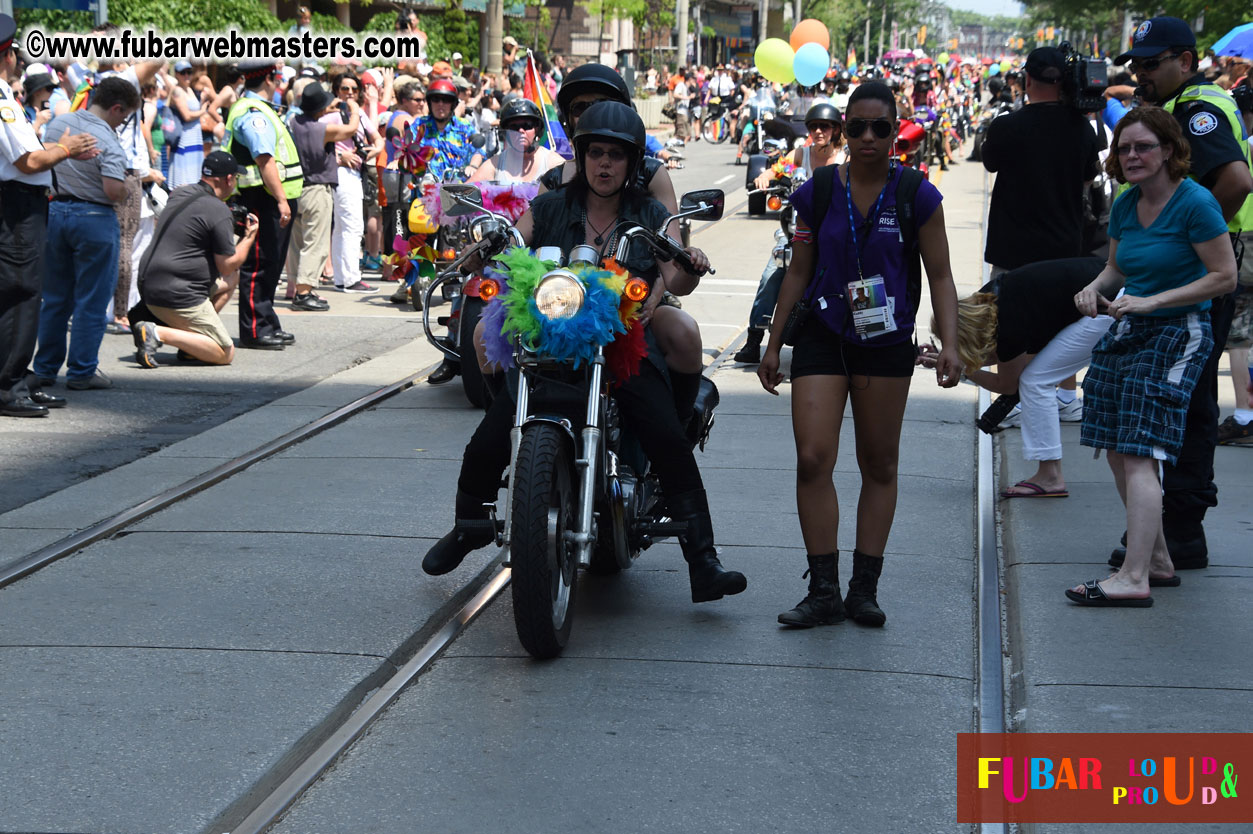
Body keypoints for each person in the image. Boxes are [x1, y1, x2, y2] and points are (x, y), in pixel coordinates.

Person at [424, 101, 748, 604]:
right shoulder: (554, 205)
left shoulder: (649, 213)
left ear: (632, 162)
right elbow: (515, 240)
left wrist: (691, 260)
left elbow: (675, 274)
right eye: (596, 152)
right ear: (582, 155)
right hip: (554, 340)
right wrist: (486, 245)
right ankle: (469, 525)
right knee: (496, 428)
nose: (604, 164)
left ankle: (702, 558)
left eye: (616, 156)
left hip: (622, 339)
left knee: (663, 431)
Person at [757, 82, 962, 628]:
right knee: (812, 458)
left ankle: (863, 589)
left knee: (879, 462)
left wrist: (951, 343)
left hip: (887, 340)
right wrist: (773, 344)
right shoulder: (818, 190)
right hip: (824, 333)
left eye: (881, 127)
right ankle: (822, 589)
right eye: (858, 127)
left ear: (897, 132)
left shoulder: (916, 194)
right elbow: (796, 272)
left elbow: (940, 276)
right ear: (844, 130)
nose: (868, 137)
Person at [1066, 106, 1237, 607]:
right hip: (1130, 326)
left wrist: (1154, 300)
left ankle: (1134, 576)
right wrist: (1092, 288)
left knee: (1140, 449)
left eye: (1143, 146)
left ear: (1168, 150)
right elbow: (1117, 269)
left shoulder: (1195, 203)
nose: (1132, 156)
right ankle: (1157, 560)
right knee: (1118, 446)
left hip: (1178, 330)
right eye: (1124, 148)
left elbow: (1223, 276)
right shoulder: (1125, 202)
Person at [1106, 17, 1253, 570]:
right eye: (1136, 64)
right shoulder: (1185, 101)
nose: (1140, 74)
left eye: (1151, 63)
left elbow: (1236, 180)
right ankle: (1169, 533)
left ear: (1185, 61)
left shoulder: (1197, 107)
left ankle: (1181, 530)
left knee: (1186, 401)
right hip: (1189, 275)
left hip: (1201, 277)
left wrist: (1188, 235)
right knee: (1179, 397)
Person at [540, 63, 707, 432]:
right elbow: (527, 246)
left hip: (641, 297)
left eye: (602, 104)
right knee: (485, 339)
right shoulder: (552, 180)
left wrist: (654, 296)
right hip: (565, 305)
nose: (591, 113)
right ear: (568, 119)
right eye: (580, 107)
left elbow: (671, 242)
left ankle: (678, 426)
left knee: (682, 331)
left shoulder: (649, 174)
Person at [920, 257, 1112, 497]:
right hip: (1101, 290)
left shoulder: (1008, 323)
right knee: (1036, 377)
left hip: (1102, 306)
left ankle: (1050, 476)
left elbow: (1008, 385)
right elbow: (998, 359)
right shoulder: (987, 302)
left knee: (1035, 381)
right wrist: (948, 358)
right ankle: (1049, 473)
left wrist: (963, 370)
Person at [0, 13, 98, 417]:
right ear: (5, 54)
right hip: (16, 204)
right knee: (20, 293)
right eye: (14, 53)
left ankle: (18, 377)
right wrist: (67, 148)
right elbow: (29, 161)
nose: (18, 60)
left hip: (24, 203)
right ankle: (8, 385)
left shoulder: (7, 95)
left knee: (27, 292)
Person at [32, 76, 138, 391]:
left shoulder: (58, 124)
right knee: (91, 299)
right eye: (125, 116)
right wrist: (126, 194)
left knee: (54, 298)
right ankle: (81, 371)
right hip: (94, 218)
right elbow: (111, 189)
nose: (123, 123)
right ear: (117, 108)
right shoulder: (108, 140)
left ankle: (45, 368)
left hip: (56, 212)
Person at [736, 102, 844, 364]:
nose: (819, 131)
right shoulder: (801, 154)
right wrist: (766, 176)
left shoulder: (845, 158)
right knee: (771, 274)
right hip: (796, 228)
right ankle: (754, 339)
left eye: (825, 126)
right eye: (814, 126)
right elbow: (778, 168)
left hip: (834, 230)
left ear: (836, 130)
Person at [133, 151, 259, 367]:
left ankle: (191, 347)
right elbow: (227, 264)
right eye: (235, 178)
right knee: (224, 352)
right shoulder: (217, 209)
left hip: (149, 287)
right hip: (177, 295)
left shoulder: (180, 193)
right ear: (228, 179)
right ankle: (156, 332)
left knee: (230, 281)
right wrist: (249, 238)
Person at [982, 47, 1101, 274]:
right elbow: (1089, 177)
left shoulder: (1005, 127)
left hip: (1011, 255)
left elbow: (990, 163)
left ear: (1028, 81)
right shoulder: (1084, 130)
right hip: (1063, 255)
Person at [224, 59, 304, 350]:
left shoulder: (259, 109)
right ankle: (255, 330)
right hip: (262, 198)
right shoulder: (253, 112)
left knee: (272, 264)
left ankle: (267, 322)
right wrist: (282, 199)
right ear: (270, 78)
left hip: (269, 197)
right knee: (260, 265)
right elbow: (264, 158)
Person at [289, 81, 360, 309]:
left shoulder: (295, 123)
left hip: (296, 187)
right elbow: (350, 130)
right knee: (316, 243)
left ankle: (295, 287)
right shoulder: (322, 130)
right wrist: (354, 108)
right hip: (317, 189)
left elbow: (313, 116)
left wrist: (327, 109)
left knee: (297, 243)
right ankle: (304, 292)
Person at [328, 73, 382, 294]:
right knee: (351, 226)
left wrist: (375, 149)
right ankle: (350, 279)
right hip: (339, 172)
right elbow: (314, 145)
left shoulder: (359, 114)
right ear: (336, 91)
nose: (349, 93)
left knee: (344, 227)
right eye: (344, 89)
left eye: (353, 89)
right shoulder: (329, 115)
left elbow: (377, 137)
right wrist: (341, 158)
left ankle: (343, 278)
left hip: (355, 173)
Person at [468, 97, 562, 183]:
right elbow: (466, 192)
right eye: (514, 127)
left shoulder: (553, 162)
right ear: (506, 132)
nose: (521, 131)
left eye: (527, 125)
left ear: (536, 129)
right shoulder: (495, 164)